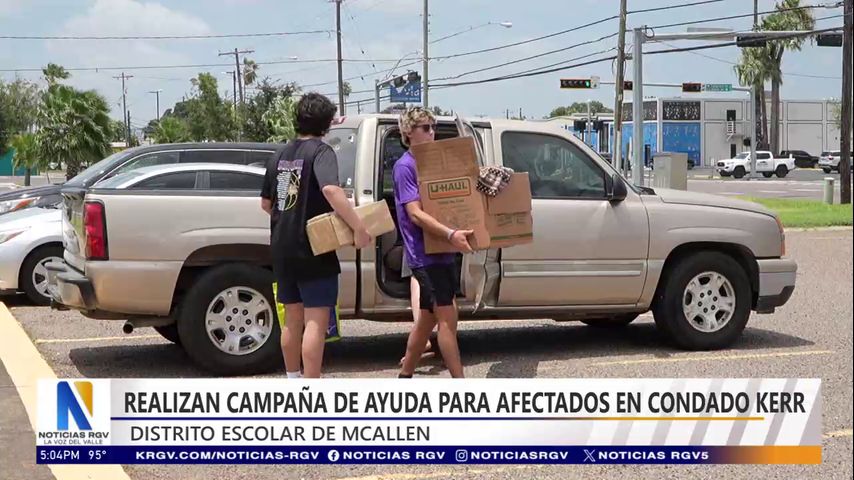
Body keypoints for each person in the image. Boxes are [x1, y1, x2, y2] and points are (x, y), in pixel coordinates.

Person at [260, 92, 372, 379]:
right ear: (326, 123)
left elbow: (266, 204)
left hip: (282, 247)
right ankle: (312, 386)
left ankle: (293, 379)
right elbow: (331, 190)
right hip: (313, 247)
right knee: (316, 321)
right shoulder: (321, 152)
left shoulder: (279, 155)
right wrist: (359, 228)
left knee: (292, 319)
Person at [393, 106, 472, 379]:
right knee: (448, 319)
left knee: (427, 320)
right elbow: (414, 213)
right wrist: (450, 234)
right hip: (425, 256)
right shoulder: (405, 166)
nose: (432, 133)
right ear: (408, 132)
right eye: (426, 128)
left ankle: (405, 374)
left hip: (443, 252)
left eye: (433, 127)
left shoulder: (434, 164)